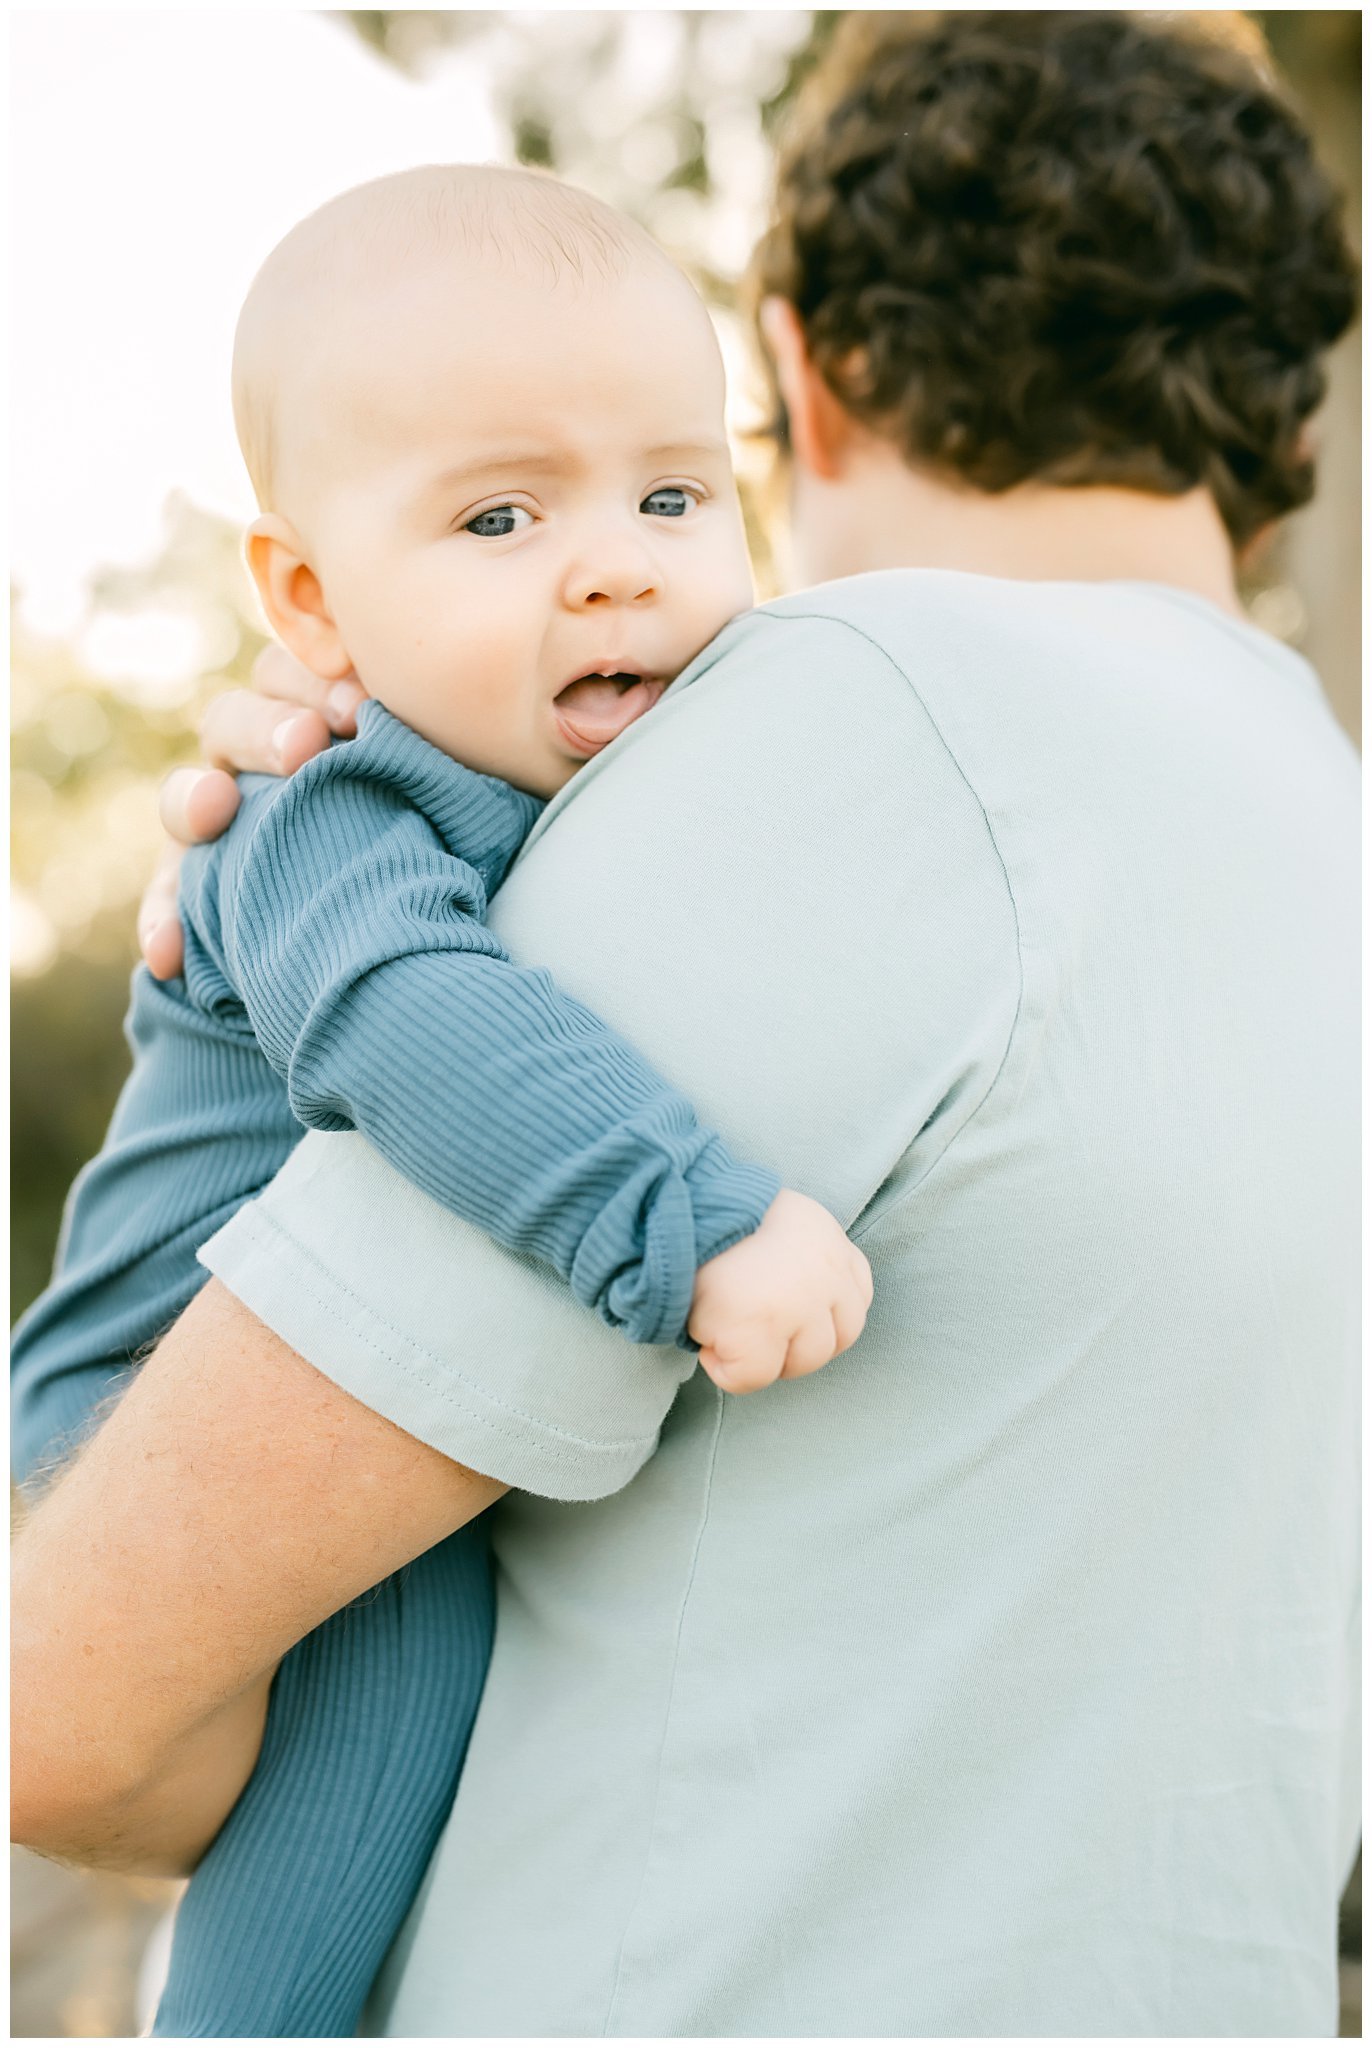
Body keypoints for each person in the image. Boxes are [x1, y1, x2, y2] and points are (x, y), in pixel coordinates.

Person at [13, 11, 1360, 2035]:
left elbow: (71, 1711)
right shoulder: (1312, 810)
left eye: (663, 491)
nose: (609, 575)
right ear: (1285, 409)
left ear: (798, 380)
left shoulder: (847, 727)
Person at [9, 165, 872, 2037]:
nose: (614, 561)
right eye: (499, 513)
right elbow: (419, 1025)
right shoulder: (326, 819)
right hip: (154, 1407)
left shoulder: (627, 776)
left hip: (294, 1365)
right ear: (312, 602)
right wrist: (698, 1222)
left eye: (671, 493)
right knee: (393, 1693)